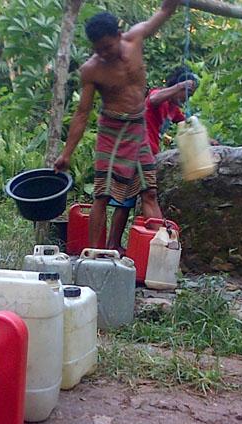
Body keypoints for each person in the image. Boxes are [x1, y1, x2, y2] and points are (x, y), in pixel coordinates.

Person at [53, 0, 183, 249]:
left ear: (119, 35)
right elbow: (82, 114)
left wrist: (172, 3)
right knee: (102, 194)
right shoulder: (91, 70)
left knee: (149, 192)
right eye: (98, 49)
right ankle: (93, 255)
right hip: (111, 132)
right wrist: (66, 154)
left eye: (108, 47)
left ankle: (163, 251)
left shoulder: (136, 38)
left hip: (138, 127)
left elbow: (165, 11)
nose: (104, 53)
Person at [106, 66, 199, 254]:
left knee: (126, 201)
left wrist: (206, 140)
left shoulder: (174, 109)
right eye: (185, 94)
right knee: (149, 195)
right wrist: (181, 85)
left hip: (142, 153)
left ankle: (113, 245)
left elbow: (186, 125)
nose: (186, 99)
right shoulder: (159, 95)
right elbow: (153, 99)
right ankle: (162, 243)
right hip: (137, 149)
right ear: (177, 87)